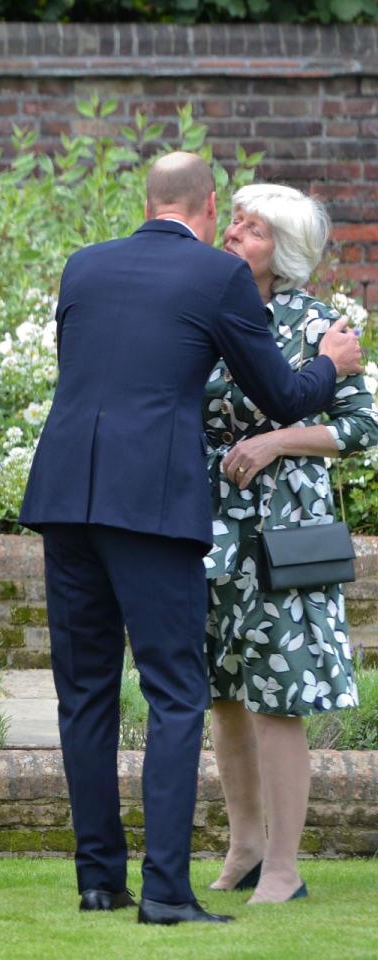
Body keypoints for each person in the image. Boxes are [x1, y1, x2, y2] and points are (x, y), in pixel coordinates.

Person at [19, 151, 364, 925]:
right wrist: (328, 365)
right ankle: (168, 892)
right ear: (207, 206)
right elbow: (280, 394)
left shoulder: (85, 267)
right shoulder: (218, 278)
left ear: (148, 200)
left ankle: (100, 881)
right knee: (177, 694)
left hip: (67, 495)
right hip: (151, 504)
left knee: (86, 696)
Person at [202, 184, 378, 904]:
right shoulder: (205, 314)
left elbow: (364, 427)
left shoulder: (318, 325)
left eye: (254, 229)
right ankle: (245, 846)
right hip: (210, 527)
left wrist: (277, 440)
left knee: (279, 696)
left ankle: (284, 866)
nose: (236, 232)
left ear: (288, 253)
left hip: (285, 535)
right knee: (223, 694)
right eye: (236, 221)